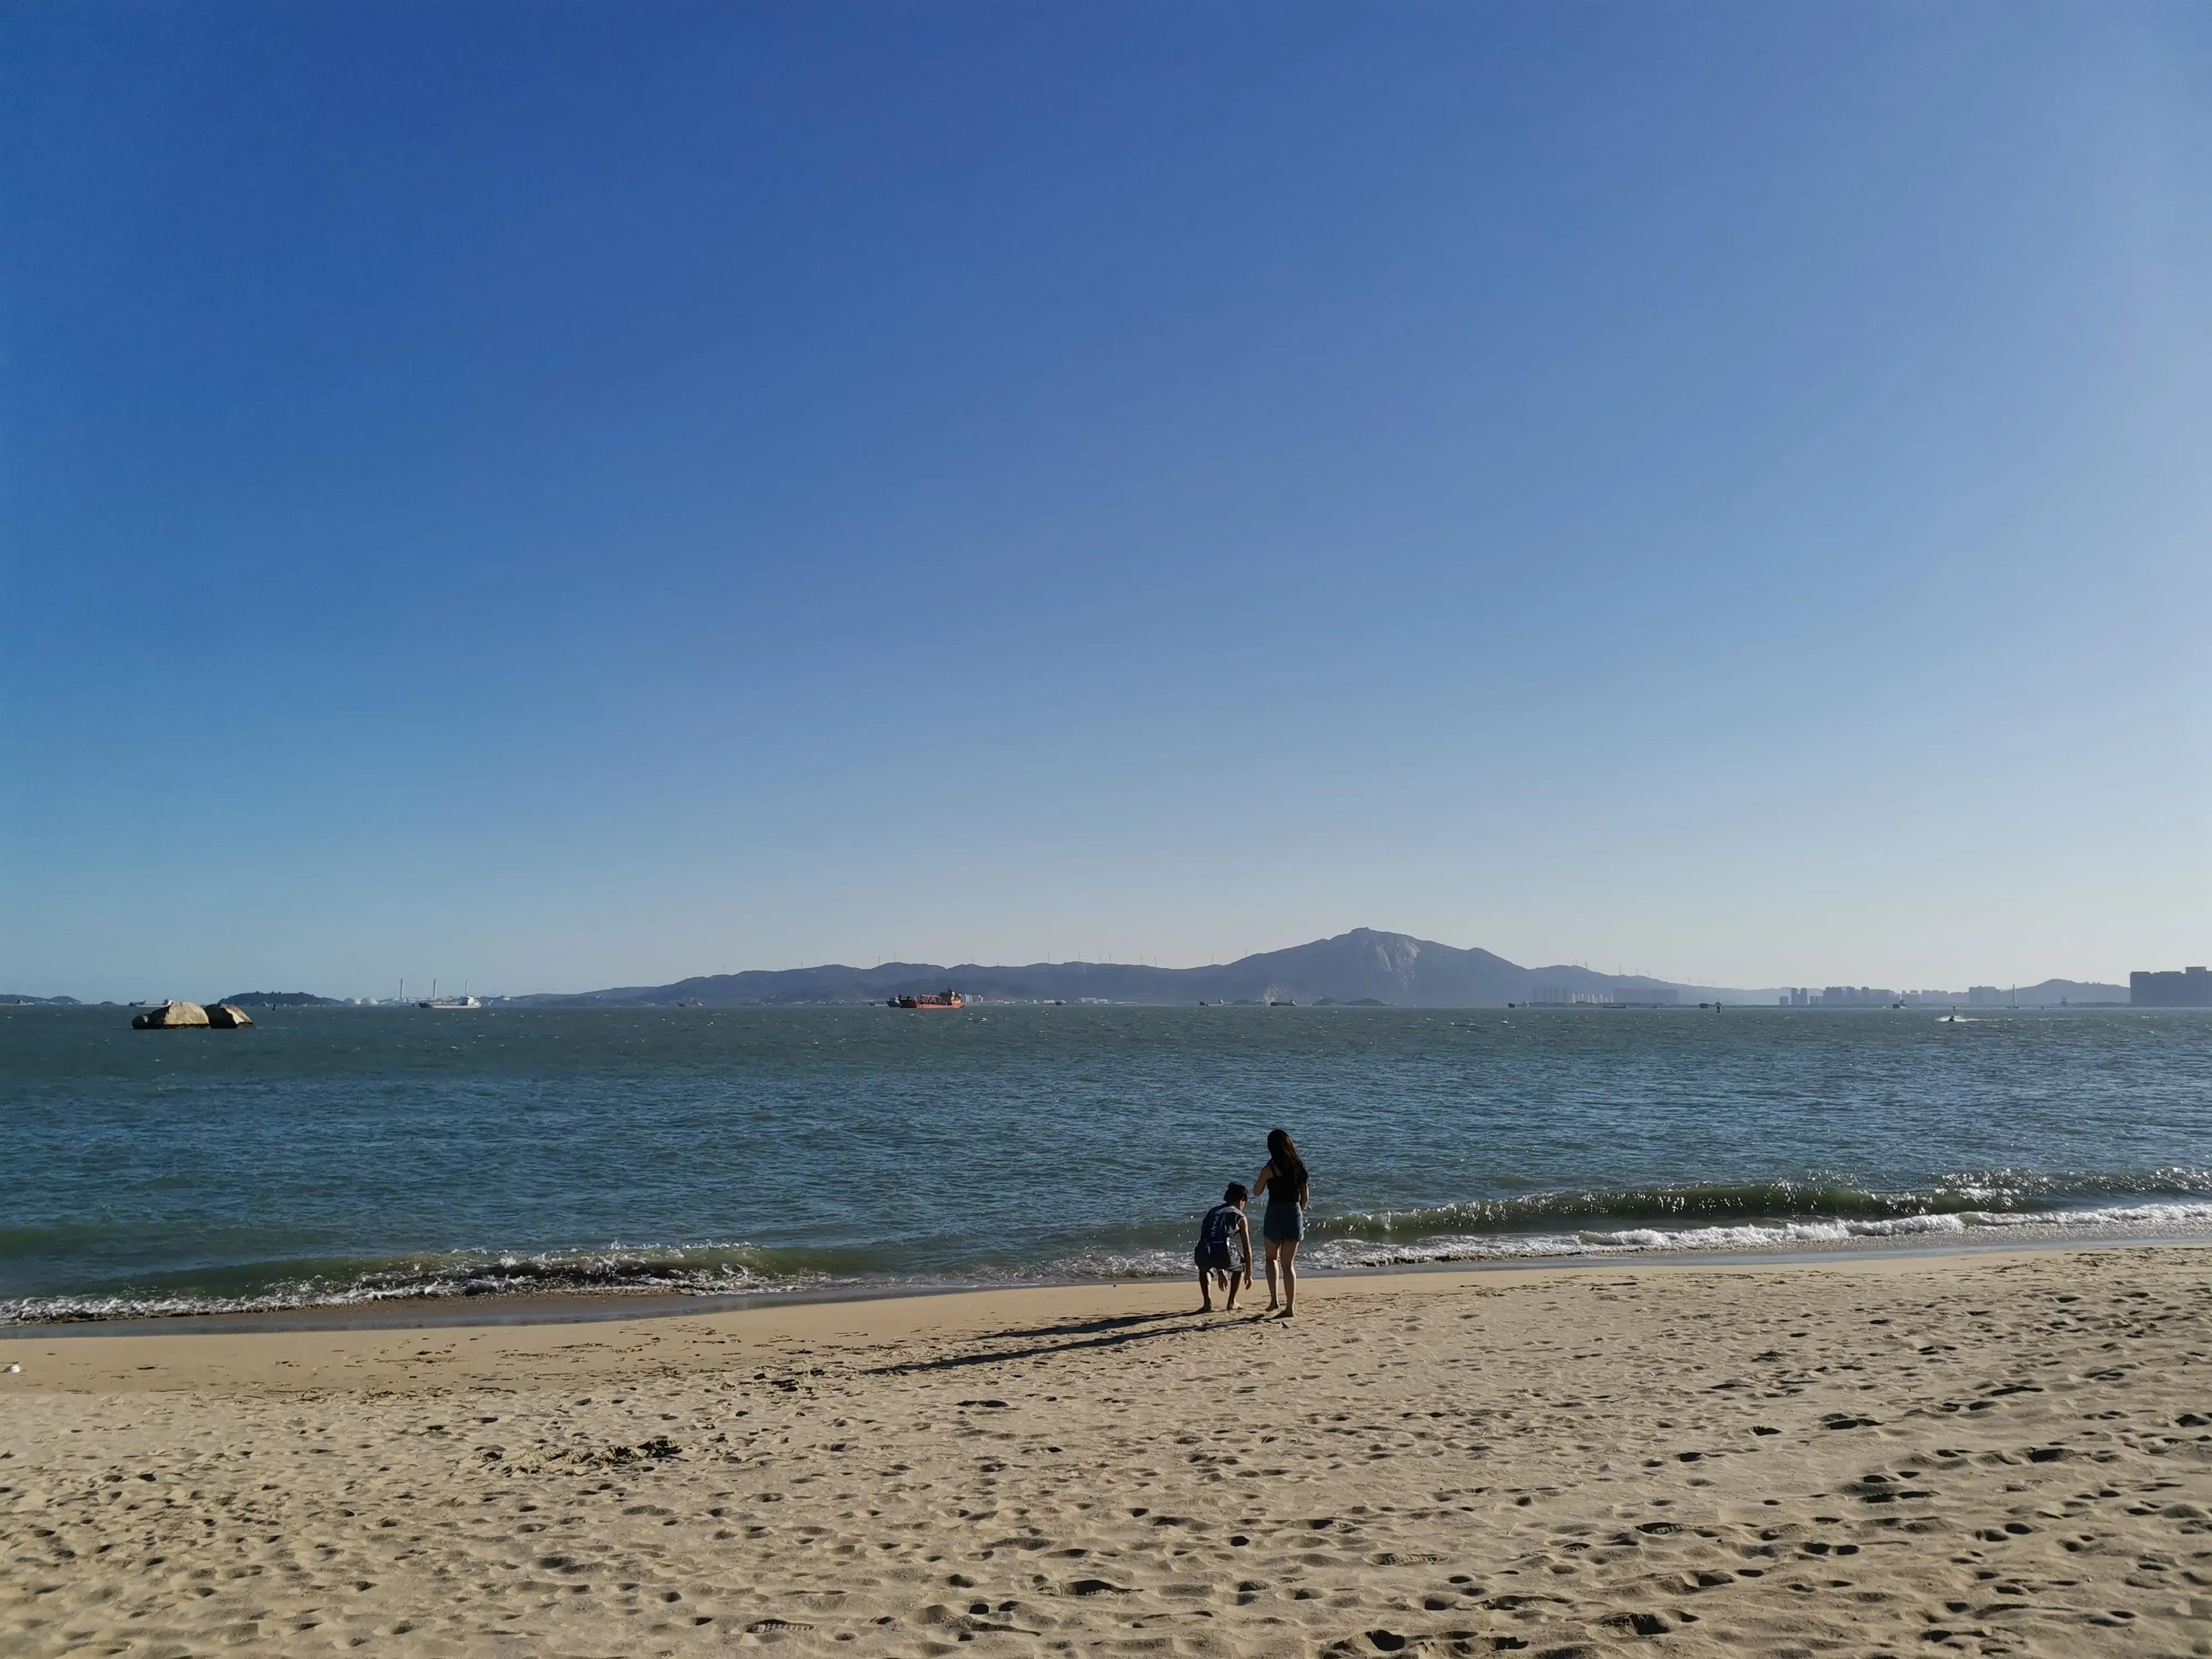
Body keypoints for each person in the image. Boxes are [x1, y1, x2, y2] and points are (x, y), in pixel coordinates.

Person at [1251, 1127, 1310, 1317]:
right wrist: (1298, 1212)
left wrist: (1265, 1178)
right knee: (1289, 1265)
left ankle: (1274, 1301)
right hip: (1294, 1213)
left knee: (1271, 1259)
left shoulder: (1270, 1169)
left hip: (1275, 1214)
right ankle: (1290, 1308)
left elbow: (1257, 1191)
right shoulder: (1299, 1166)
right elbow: (1305, 1198)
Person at [1194, 1183, 1253, 1312]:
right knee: (1241, 1265)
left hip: (1202, 1253)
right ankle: (1232, 1302)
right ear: (1242, 1200)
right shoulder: (1239, 1216)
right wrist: (1249, 1272)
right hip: (1222, 1253)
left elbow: (1210, 1239)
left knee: (1204, 1266)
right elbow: (1246, 1247)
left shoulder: (1212, 1212)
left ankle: (1207, 1302)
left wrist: (1220, 1271)